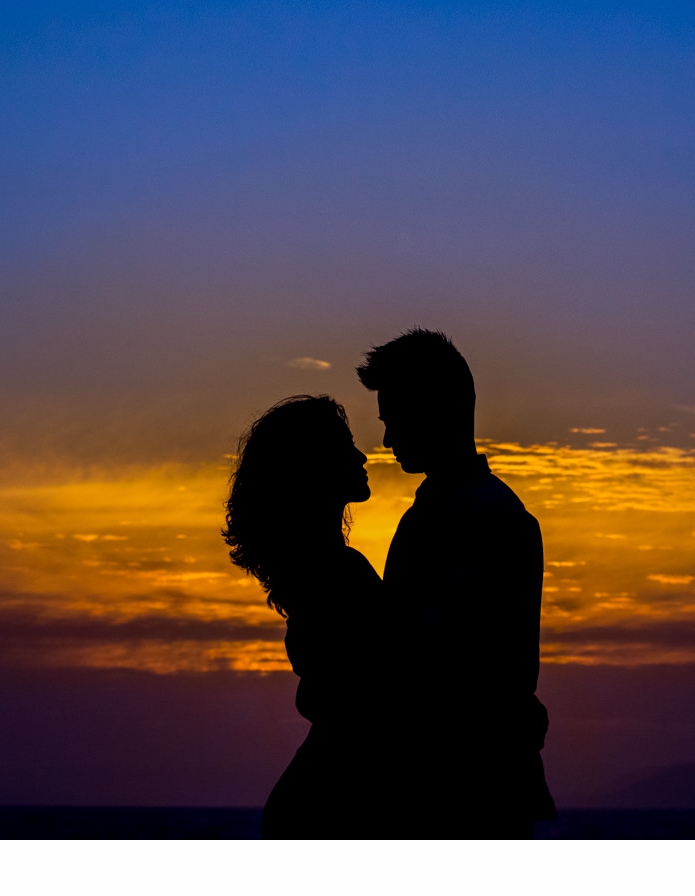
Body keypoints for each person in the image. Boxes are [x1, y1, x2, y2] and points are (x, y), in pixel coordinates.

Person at [357, 328, 556, 838]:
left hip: (466, 796)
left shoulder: (487, 519)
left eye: (394, 419)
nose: (386, 440)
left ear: (436, 410)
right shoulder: (440, 515)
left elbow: (449, 663)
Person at [222, 395, 387, 838]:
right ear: (314, 468)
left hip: (322, 797)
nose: (362, 454)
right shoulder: (336, 574)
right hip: (335, 804)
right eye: (346, 446)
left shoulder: (322, 571)